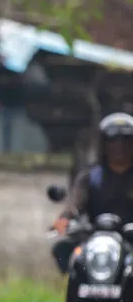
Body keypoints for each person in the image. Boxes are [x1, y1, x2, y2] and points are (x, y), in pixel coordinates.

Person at [52, 112, 133, 272]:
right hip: (95, 239)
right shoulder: (90, 177)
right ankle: (75, 291)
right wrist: (64, 219)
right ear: (104, 144)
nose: (120, 147)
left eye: (126, 140)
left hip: (131, 239)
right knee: (62, 250)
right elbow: (75, 203)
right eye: (113, 141)